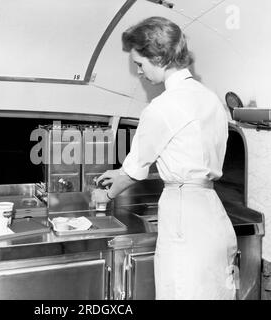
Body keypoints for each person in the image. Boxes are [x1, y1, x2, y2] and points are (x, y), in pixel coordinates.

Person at [93, 16, 238, 300]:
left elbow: (134, 171)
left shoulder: (162, 107)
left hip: (184, 217)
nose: (139, 73)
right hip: (214, 213)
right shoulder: (211, 100)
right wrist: (123, 174)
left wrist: (104, 195)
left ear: (158, 57)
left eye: (140, 64)